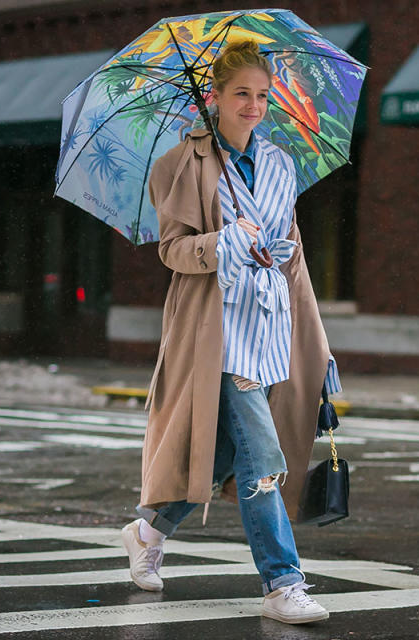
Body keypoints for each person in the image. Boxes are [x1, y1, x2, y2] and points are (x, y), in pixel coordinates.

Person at [121, 40, 342, 626]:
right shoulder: (182, 165)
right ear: (214, 97)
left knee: (223, 448)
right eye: (241, 93)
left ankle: (148, 530)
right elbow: (172, 250)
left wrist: (317, 347)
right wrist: (222, 244)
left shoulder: (278, 164)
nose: (253, 105)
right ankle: (282, 583)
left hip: (270, 327)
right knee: (262, 455)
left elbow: (294, 261)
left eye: (263, 95)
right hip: (215, 328)